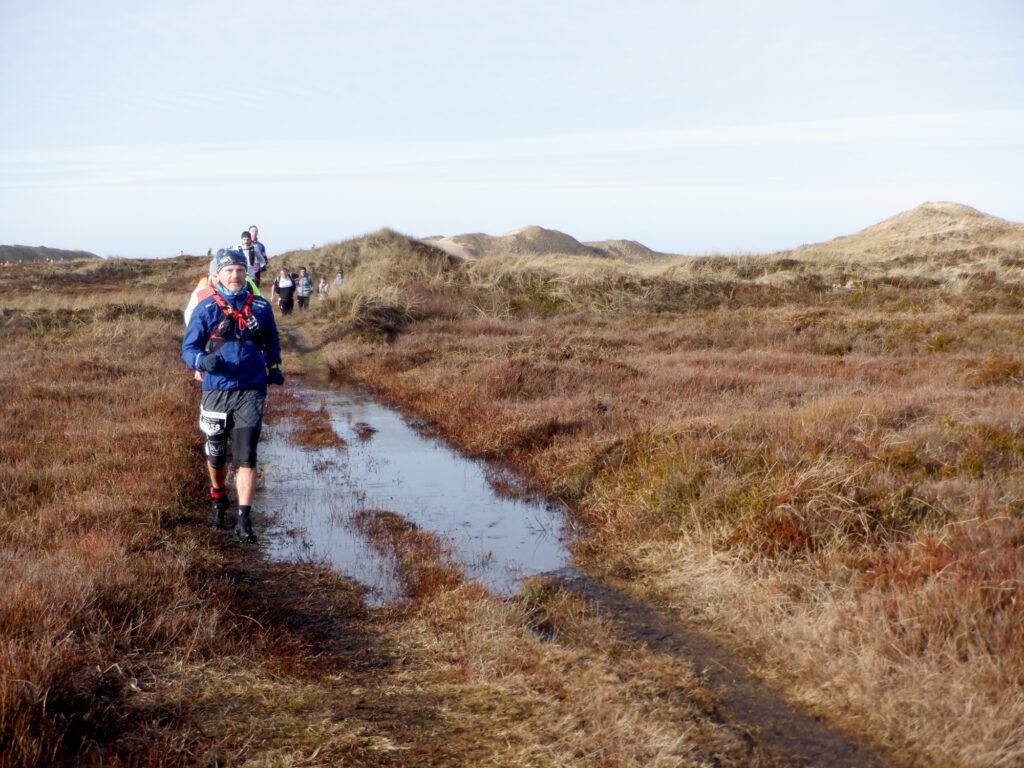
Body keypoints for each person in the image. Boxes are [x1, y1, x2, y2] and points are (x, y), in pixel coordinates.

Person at [181, 249, 283, 543]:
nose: (236, 275)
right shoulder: (206, 308)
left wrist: (274, 366)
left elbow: (272, 339)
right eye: (230, 271)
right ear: (218, 275)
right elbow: (188, 349)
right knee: (216, 454)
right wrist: (202, 362)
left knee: (246, 456)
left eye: (240, 270)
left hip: (252, 388)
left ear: (247, 274)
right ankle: (218, 498)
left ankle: (244, 518)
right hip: (216, 388)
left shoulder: (262, 307)